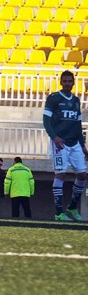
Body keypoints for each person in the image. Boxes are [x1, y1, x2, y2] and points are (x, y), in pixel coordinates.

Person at [43, 70, 87, 221]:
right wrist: (54, 137)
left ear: (73, 83)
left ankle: (72, 207)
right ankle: (58, 213)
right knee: (60, 174)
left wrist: (82, 145)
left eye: (70, 81)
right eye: (65, 81)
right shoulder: (53, 98)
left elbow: (77, 124)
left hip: (75, 143)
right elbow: (46, 121)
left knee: (82, 175)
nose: (68, 83)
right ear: (61, 82)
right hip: (60, 143)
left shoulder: (76, 100)